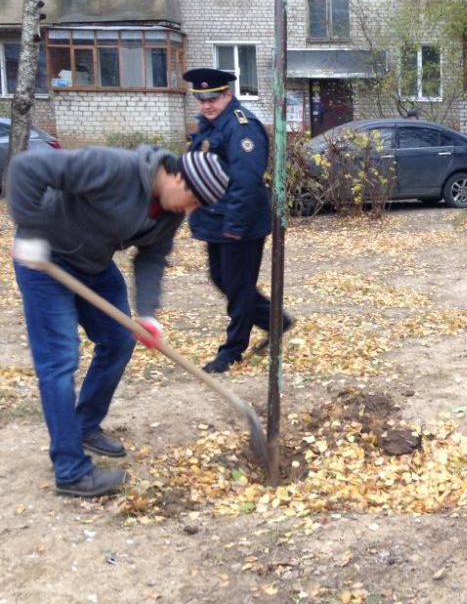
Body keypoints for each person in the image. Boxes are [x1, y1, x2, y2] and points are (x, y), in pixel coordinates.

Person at [8, 146, 229, 497]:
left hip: (93, 264)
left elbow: (152, 256)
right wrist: (31, 232)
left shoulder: (169, 213)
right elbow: (27, 168)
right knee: (60, 361)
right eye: (191, 200)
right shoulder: (114, 168)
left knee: (120, 340)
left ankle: (84, 424)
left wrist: (146, 314)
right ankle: (70, 471)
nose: (187, 211)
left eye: (196, 208)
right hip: (45, 261)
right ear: (177, 175)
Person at [183, 67, 292, 374]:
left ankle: (232, 351)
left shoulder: (241, 127)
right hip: (215, 220)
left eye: (213, 98)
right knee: (223, 280)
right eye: (201, 99)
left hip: (238, 223)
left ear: (228, 95)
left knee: (238, 287)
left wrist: (235, 225)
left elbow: (245, 180)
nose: (206, 105)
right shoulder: (208, 126)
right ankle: (277, 320)